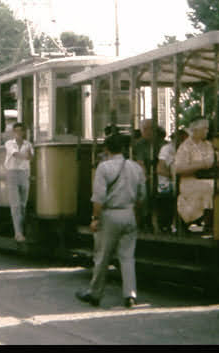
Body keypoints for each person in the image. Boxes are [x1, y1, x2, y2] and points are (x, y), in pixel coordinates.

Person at [76, 133, 146, 309]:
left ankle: (95, 293)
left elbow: (98, 198)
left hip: (109, 216)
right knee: (128, 257)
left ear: (106, 149)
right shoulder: (136, 168)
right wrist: (136, 214)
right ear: (123, 148)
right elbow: (142, 196)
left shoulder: (104, 168)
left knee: (102, 256)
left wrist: (95, 219)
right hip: (129, 214)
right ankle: (130, 295)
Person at [173, 118, 219, 234]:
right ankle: (208, 223)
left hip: (208, 178)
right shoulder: (185, 147)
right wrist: (201, 165)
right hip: (190, 182)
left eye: (207, 128)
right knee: (209, 188)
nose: (207, 131)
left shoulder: (208, 145)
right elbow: (178, 168)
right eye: (204, 128)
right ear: (195, 130)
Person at [133, 119, 165, 230]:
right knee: (144, 194)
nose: (147, 132)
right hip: (146, 175)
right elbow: (139, 162)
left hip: (162, 175)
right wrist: (145, 176)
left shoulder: (162, 143)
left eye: (150, 129)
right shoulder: (139, 144)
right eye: (144, 129)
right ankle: (146, 220)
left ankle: (163, 222)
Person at [4, 122, 33, 242]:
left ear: (24, 132)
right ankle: (18, 233)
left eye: (21, 131)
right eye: (16, 131)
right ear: (13, 132)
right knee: (15, 205)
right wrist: (24, 156)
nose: (19, 133)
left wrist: (26, 156)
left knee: (23, 205)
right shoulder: (9, 143)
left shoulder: (28, 144)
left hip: (24, 173)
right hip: (12, 173)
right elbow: (16, 154)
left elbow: (30, 157)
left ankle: (21, 230)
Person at [156, 129, 188, 232]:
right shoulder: (167, 149)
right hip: (167, 183)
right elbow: (160, 168)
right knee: (168, 204)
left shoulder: (185, 149)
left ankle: (183, 225)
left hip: (180, 182)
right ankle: (165, 226)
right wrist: (173, 175)